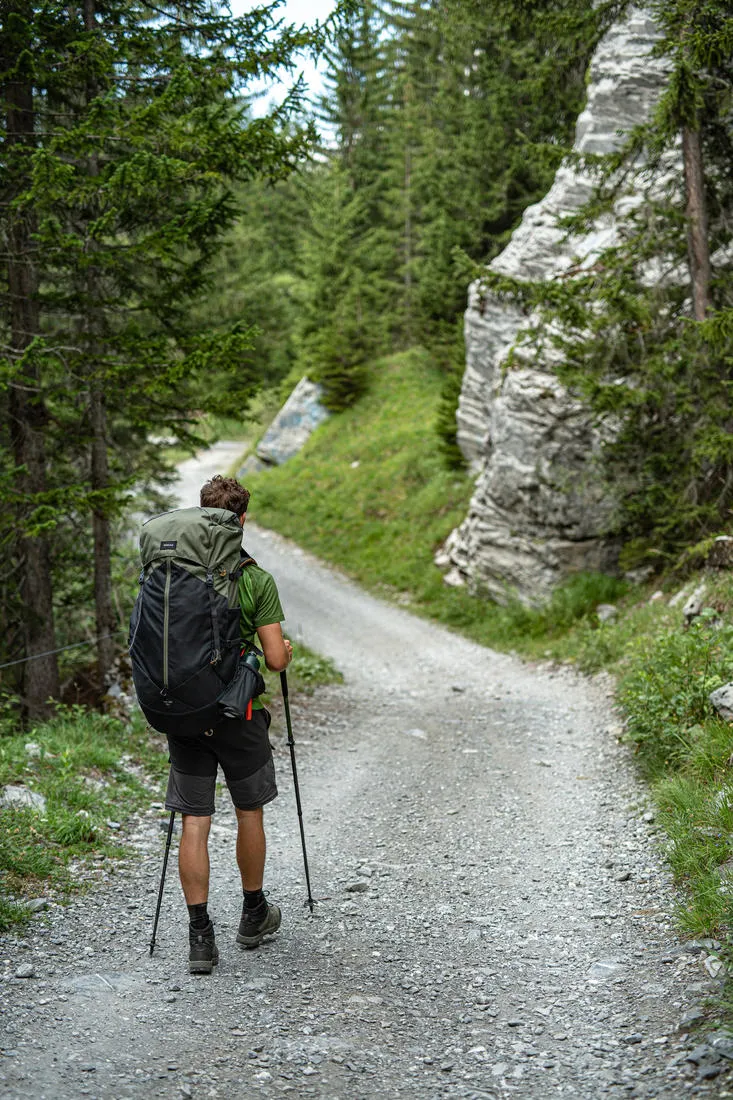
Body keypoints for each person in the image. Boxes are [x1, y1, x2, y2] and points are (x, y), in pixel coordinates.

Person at [164, 474, 293, 974]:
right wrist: (278, 649)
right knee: (248, 811)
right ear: (241, 520)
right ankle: (252, 914)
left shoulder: (175, 576)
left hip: (186, 715)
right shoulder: (254, 578)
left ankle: (200, 937)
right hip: (236, 715)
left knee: (194, 821)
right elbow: (277, 660)